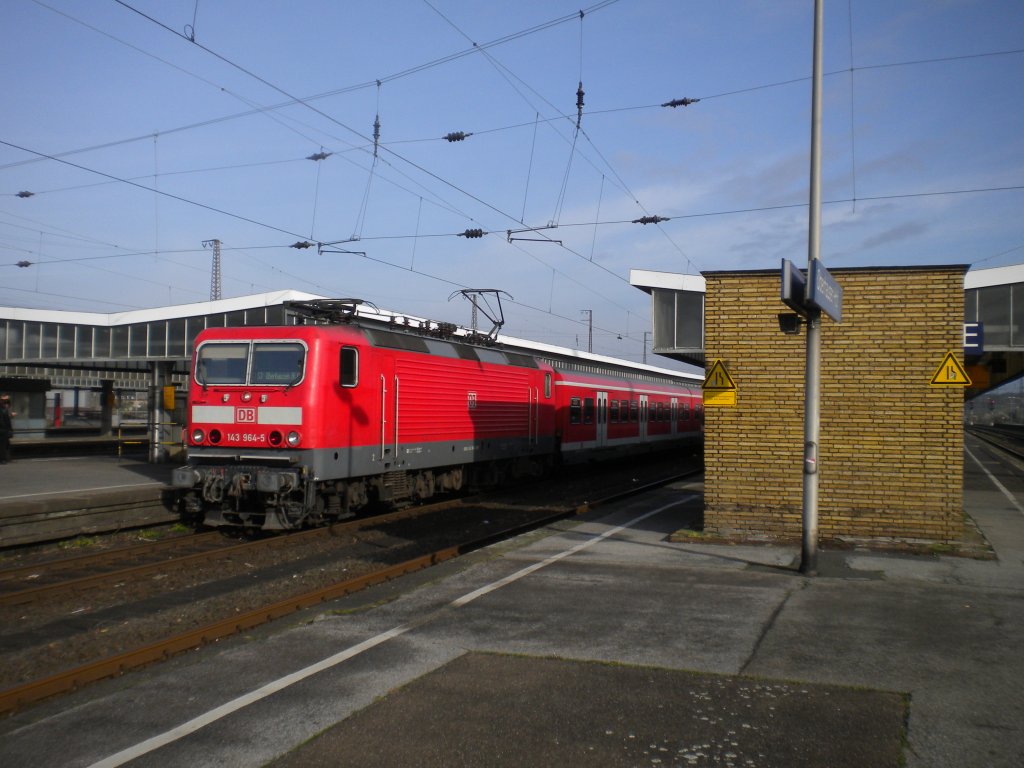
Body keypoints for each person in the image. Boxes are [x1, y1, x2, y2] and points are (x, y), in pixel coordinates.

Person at [0, 394, 14, 463]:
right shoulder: (3, 410)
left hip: (4, 430)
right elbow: (6, 421)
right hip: (3, 430)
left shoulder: (4, 409)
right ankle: (3, 459)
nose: (7, 404)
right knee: (3, 445)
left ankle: (6, 458)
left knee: (6, 444)